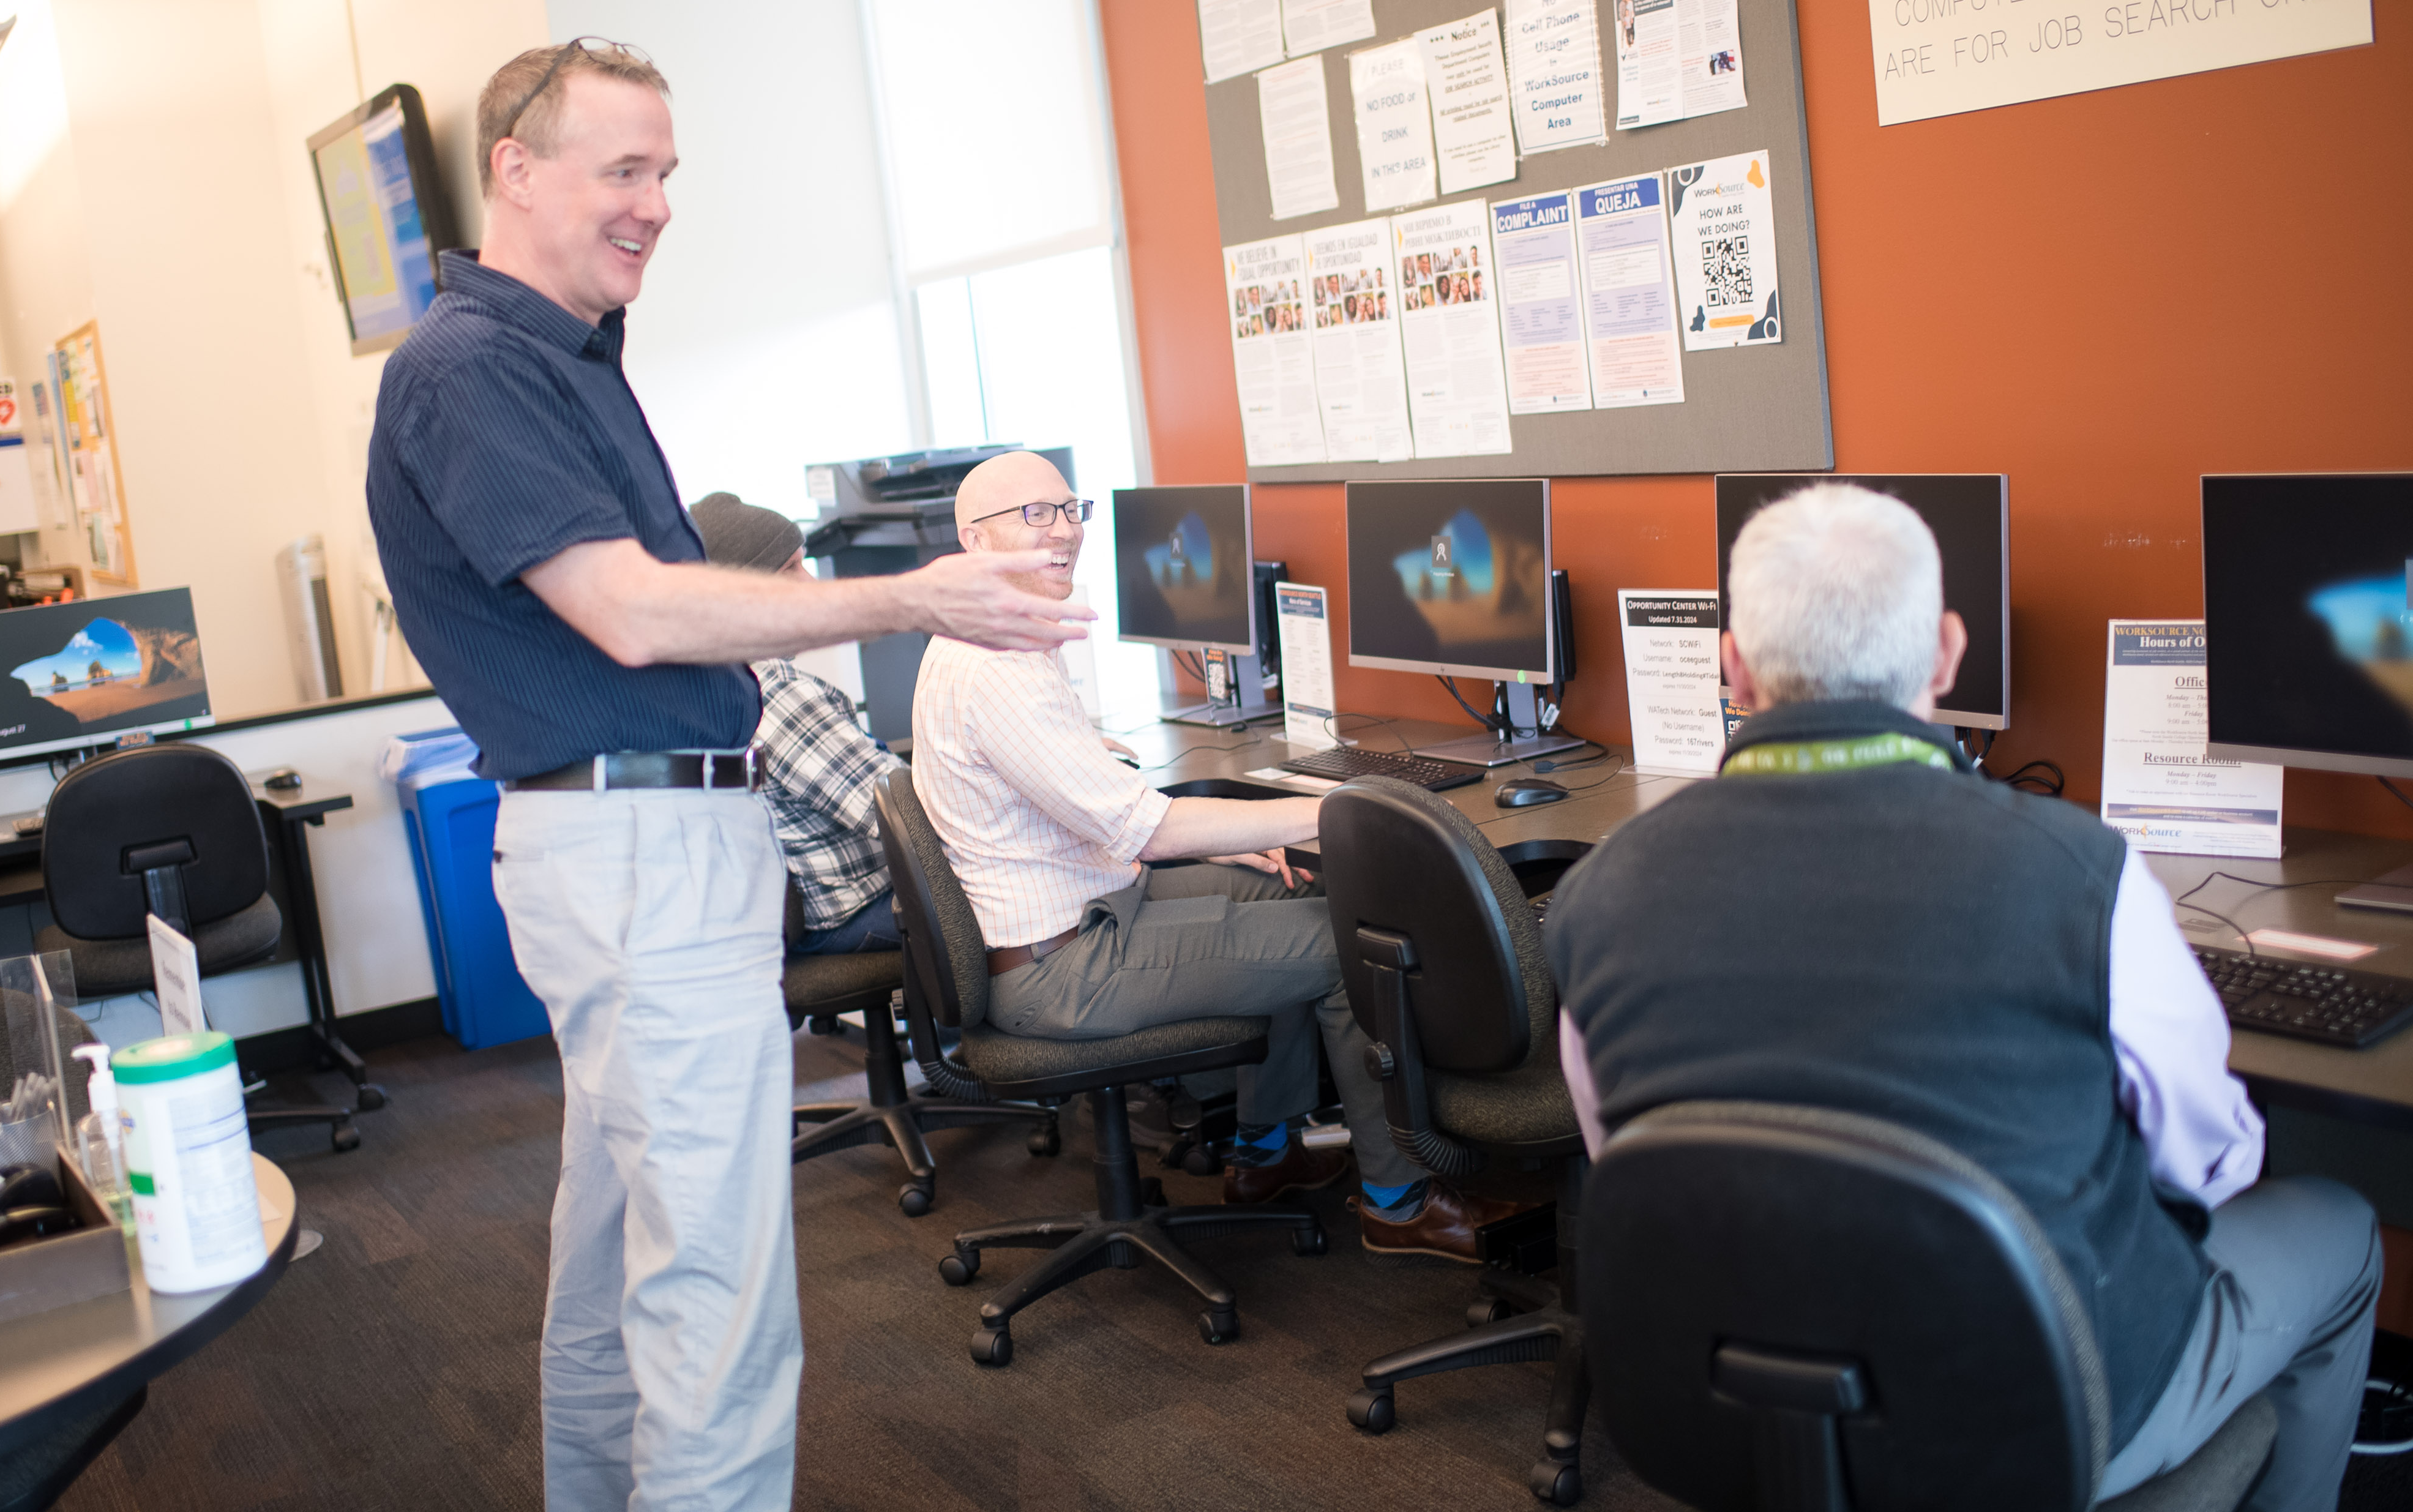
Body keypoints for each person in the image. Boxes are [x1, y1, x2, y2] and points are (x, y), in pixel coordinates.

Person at [365, 39, 1089, 1512]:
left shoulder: (559, 359)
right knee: (719, 1296)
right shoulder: (471, 371)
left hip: (638, 845)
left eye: (666, 173)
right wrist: (911, 597)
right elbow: (629, 609)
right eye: (623, 170)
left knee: (616, 1253)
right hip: (636, 853)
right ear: (514, 169)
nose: (656, 205)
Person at [1544, 483, 2379, 1512]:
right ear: (1945, 653)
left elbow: (1626, 1160)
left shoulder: (1593, 894)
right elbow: (2208, 1161)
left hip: (1737, 1386)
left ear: (1731, 667)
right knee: (2337, 1227)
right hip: (2040, 1404)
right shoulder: (2078, 872)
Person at [907, 450, 1502, 1260]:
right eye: (1034, 516)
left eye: (1070, 508)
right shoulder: (997, 669)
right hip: (1062, 967)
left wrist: (1261, 834)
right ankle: (1397, 1203)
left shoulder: (988, 636)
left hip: (1085, 911)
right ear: (975, 542)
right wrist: (1328, 812)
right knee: (1347, 954)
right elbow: (1146, 829)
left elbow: (1074, 785)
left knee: (1292, 892)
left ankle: (1264, 1155)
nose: (1066, 532)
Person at [687, 491, 902, 956]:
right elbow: (904, 816)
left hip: (799, 917)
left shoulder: (711, 683)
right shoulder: (774, 688)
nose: (810, 585)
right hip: (856, 911)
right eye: (789, 570)